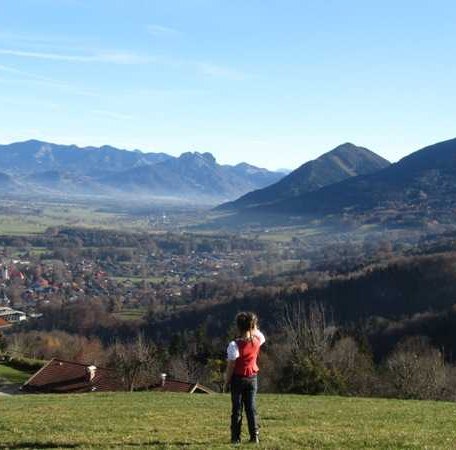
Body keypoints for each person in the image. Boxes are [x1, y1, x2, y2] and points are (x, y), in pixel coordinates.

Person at [224, 311, 266, 445]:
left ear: (238, 327)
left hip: (238, 379)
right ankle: (255, 437)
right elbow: (258, 333)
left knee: (236, 409)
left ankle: (236, 439)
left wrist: (226, 382)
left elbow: (231, 366)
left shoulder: (234, 345)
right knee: (251, 408)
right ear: (252, 326)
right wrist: (253, 326)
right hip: (253, 377)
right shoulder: (258, 339)